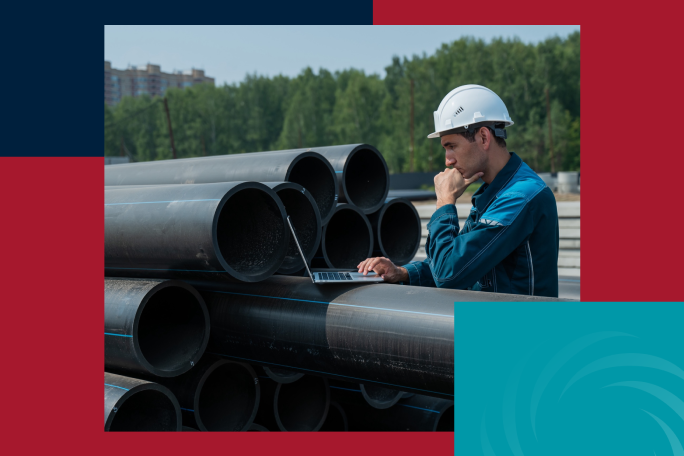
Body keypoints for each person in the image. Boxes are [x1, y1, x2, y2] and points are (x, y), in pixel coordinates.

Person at [357, 84, 559, 297]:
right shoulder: (494, 194)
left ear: (483, 137)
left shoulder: (520, 197)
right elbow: (456, 260)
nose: (448, 160)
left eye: (452, 146)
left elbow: (448, 274)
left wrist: (445, 202)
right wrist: (402, 273)